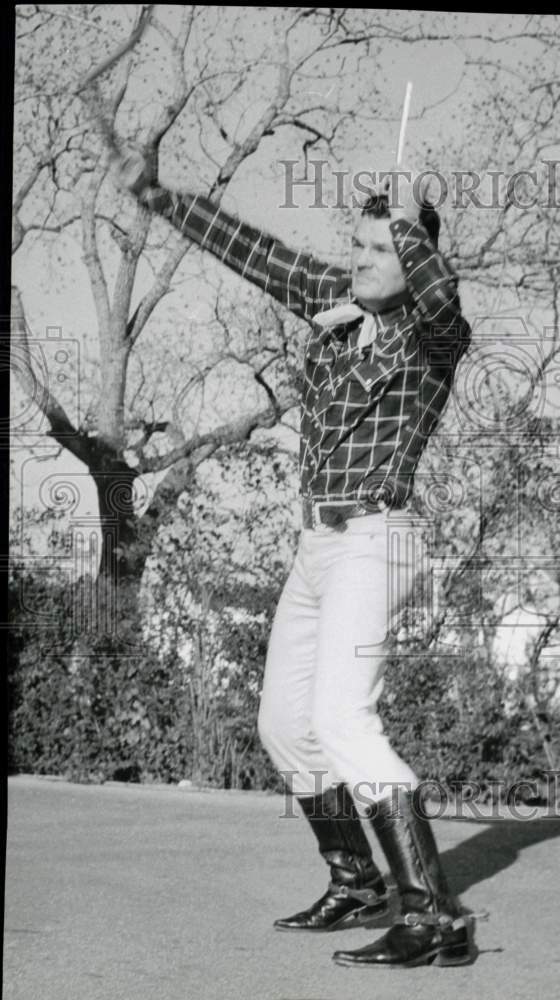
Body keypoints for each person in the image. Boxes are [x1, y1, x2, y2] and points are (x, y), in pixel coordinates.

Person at [114, 149, 473, 968]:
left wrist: (410, 227)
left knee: (344, 720)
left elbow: (440, 289)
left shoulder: (433, 335)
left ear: (414, 258)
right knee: (285, 728)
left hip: (378, 539)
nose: (359, 260)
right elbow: (250, 249)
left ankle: (434, 916)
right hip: (316, 546)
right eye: (357, 245)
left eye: (379, 251)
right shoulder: (332, 305)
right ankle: (357, 880)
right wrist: (161, 196)